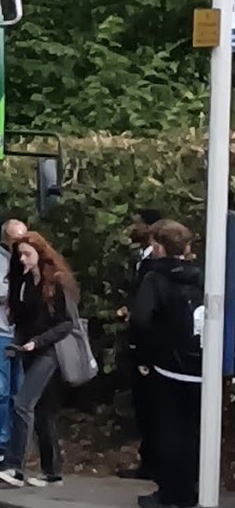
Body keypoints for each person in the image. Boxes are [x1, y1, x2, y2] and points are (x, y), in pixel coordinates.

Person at [0, 232, 79, 489]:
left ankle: (15, 466)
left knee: (22, 403)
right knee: (43, 411)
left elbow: (66, 323)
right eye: (19, 255)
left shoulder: (55, 281)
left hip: (49, 350)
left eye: (27, 254)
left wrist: (38, 342)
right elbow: (21, 319)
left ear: (40, 254)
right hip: (28, 348)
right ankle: (52, 472)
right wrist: (18, 344)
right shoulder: (23, 282)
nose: (22, 259)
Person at [131, 220, 204, 508]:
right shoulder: (202, 275)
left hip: (167, 368)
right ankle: (190, 491)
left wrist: (147, 356)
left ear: (159, 246)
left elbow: (141, 319)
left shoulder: (155, 278)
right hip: (199, 369)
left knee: (166, 432)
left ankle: (168, 493)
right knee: (193, 432)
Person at [117, 208, 164, 480]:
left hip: (149, 343)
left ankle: (154, 463)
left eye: (137, 224)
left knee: (151, 404)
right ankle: (149, 459)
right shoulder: (142, 259)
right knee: (143, 404)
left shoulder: (155, 266)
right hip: (139, 334)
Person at [0, 219, 27, 467]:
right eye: (16, 241)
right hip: (1, 332)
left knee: (20, 392)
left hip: (23, 334)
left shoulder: (27, 258)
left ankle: (16, 445)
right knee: (1, 392)